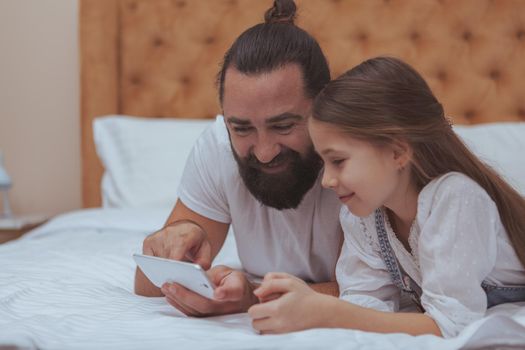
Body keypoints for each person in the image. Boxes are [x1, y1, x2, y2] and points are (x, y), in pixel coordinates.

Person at [248, 57, 525, 337]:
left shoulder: (455, 197)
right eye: (324, 163)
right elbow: (363, 304)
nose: (327, 181)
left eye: (339, 161)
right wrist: (313, 308)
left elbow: (452, 325)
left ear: (397, 152)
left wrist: (328, 313)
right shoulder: (365, 216)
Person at [134, 0, 343, 316]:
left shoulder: (359, 153)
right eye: (242, 128)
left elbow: (377, 289)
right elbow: (148, 287)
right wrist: (166, 246)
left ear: (323, 107)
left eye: (283, 125)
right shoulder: (218, 148)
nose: (264, 151)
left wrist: (253, 298)